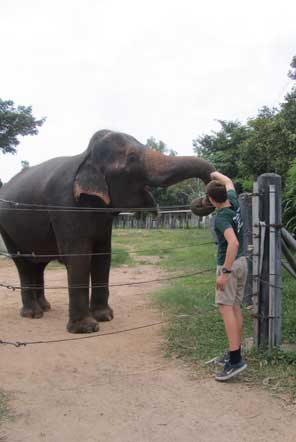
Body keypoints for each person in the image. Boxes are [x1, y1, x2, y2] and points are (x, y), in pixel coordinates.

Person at [206, 171, 248, 381]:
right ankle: (235, 351)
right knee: (235, 307)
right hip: (242, 263)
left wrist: (225, 273)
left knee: (226, 309)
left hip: (230, 264)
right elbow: (229, 181)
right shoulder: (234, 201)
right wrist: (214, 174)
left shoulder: (221, 217)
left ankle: (235, 360)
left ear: (212, 200)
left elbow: (233, 243)